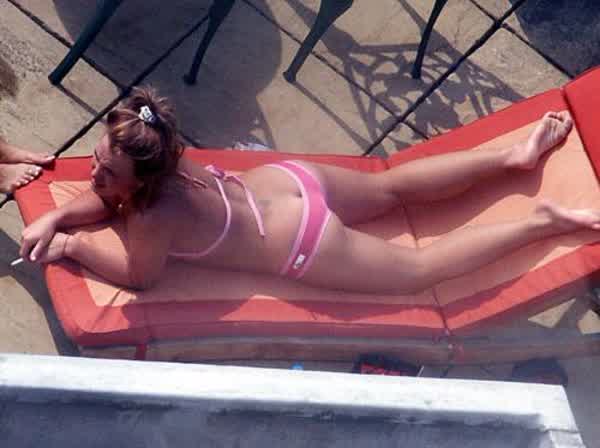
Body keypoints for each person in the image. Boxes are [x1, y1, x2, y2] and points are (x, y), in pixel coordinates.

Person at [18, 86, 600, 294]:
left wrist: (73, 245)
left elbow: (140, 276)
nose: (94, 176)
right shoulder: (163, 149)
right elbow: (114, 196)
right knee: (391, 187)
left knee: (418, 273)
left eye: (106, 170)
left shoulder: (152, 216)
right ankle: (511, 158)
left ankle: (540, 223)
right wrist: (57, 218)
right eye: (98, 161)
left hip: (300, 238)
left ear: (141, 178)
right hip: (288, 182)